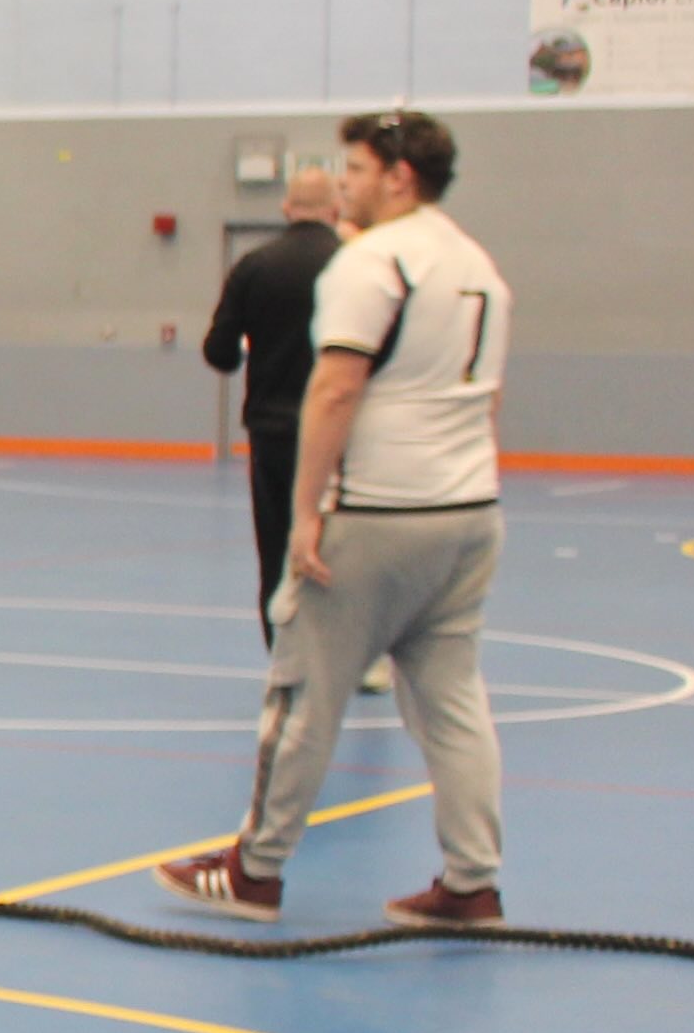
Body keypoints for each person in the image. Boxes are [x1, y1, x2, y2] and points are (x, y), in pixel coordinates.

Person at [157, 109, 514, 928]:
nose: (346, 183)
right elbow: (489, 396)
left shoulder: (375, 262)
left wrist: (309, 512)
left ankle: (256, 869)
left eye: (355, 169)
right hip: (467, 514)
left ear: (398, 176)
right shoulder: (477, 264)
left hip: (380, 513)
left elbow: (337, 387)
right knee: (454, 703)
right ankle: (472, 880)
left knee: (302, 693)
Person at [200, 163, 345, 637]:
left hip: (273, 431)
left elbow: (219, 353)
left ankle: (282, 657)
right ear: (334, 208)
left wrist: (257, 344)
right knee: (342, 544)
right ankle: (353, 658)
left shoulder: (253, 267)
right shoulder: (352, 265)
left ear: (286, 209)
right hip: (342, 433)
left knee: (276, 549)